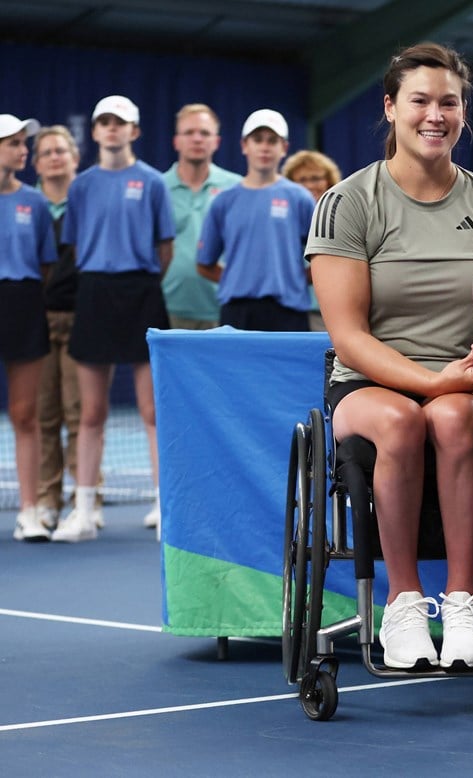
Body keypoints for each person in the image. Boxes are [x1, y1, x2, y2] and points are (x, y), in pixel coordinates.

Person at [307, 42, 473, 670]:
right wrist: (433, 382)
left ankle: (463, 603)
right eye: (420, 101)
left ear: (463, 112)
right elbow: (349, 337)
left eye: (449, 102)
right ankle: (403, 603)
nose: (435, 115)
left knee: (454, 416)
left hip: (464, 388)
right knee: (406, 420)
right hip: (367, 384)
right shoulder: (348, 203)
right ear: (391, 108)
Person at [52, 95, 175, 542]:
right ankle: (83, 512)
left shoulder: (154, 183)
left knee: (151, 411)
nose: (111, 129)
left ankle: (164, 507)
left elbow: (165, 249)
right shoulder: (81, 186)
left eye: (119, 123)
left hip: (142, 293)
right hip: (95, 295)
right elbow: (76, 243)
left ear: (134, 131)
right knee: (91, 413)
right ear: (97, 130)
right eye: (103, 122)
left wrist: (137, 279)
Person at [33, 125, 105, 531]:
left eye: (62, 150)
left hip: (83, 319)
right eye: (47, 152)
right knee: (45, 414)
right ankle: (47, 499)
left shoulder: (89, 200)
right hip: (37, 323)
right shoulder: (27, 205)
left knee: (83, 413)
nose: (56, 157)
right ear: (38, 162)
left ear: (75, 158)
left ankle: (87, 497)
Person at [196, 109, 314, 332]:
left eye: (272, 140)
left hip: (288, 311)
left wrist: (292, 280)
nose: (265, 147)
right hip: (237, 312)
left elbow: (324, 258)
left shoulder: (300, 198)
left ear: (284, 148)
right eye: (257, 139)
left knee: (286, 369)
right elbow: (204, 263)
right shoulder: (224, 201)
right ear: (244, 146)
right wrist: (238, 279)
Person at [0, 113, 56, 541]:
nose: (24, 150)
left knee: (25, 414)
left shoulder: (34, 202)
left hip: (22, 304)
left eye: (24, 142)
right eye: (15, 143)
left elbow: (44, 264)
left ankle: (30, 511)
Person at [162, 103, 242, 329]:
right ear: (176, 141)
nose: (197, 139)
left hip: (223, 308)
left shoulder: (236, 188)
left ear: (216, 141)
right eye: (189, 132)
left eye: (204, 133)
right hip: (168, 308)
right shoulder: (157, 188)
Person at [282, 149, 341, 331]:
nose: (308, 186)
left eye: (315, 178)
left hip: (333, 310)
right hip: (292, 309)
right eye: (301, 180)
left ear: (328, 180)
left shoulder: (342, 214)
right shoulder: (283, 218)